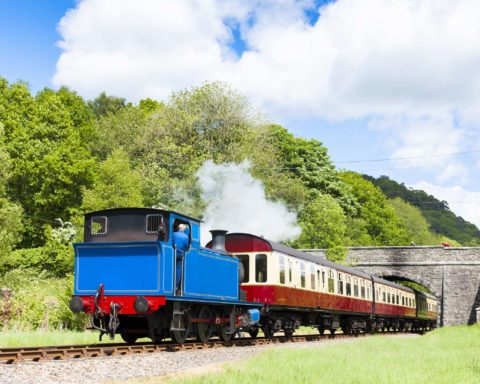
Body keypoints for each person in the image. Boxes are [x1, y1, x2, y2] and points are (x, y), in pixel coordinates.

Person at [173, 223, 189, 292]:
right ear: (183, 229)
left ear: (178, 228)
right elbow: (186, 246)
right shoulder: (186, 236)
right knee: (178, 270)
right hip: (180, 254)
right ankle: (176, 286)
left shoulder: (174, 234)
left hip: (172, 252)